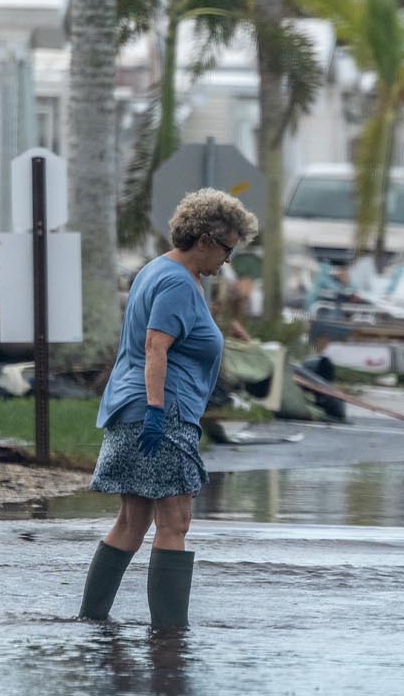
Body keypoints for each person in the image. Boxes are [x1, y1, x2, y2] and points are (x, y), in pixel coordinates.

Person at [77, 188, 258, 627]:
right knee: (175, 521)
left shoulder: (158, 269)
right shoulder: (178, 281)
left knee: (132, 520)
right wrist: (158, 411)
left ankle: (92, 620)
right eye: (227, 249)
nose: (227, 261)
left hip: (134, 406)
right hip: (161, 411)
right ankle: (170, 637)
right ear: (204, 239)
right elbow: (155, 346)